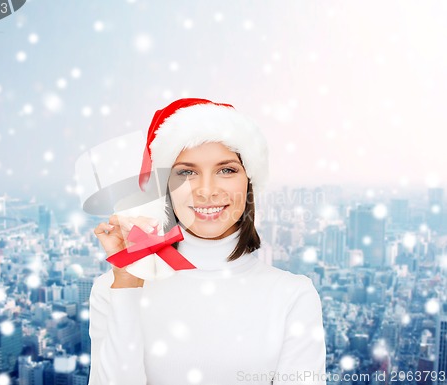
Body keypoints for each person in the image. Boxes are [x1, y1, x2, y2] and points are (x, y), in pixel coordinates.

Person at [89, 98, 327, 385]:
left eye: (226, 170)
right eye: (186, 172)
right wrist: (127, 286)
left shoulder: (293, 297)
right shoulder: (113, 289)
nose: (207, 190)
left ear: (249, 181)